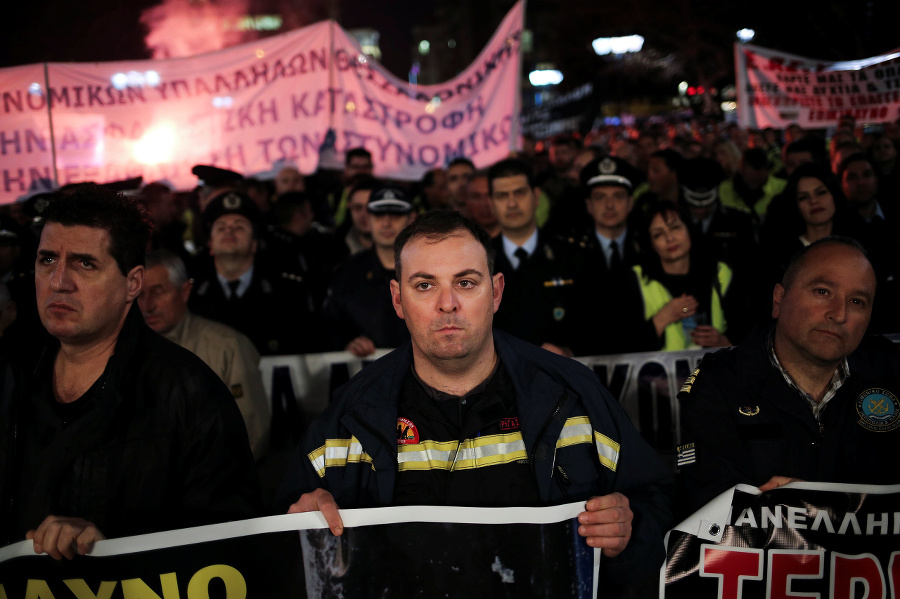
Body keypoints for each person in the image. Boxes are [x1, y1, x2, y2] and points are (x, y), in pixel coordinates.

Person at [278, 210, 672, 584]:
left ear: (496, 292)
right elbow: (276, 546)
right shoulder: (348, 417)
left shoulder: (573, 396)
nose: (447, 303)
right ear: (398, 299)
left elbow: (659, 508)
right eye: (425, 285)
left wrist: (629, 527)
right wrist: (297, 526)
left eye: (465, 283)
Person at [0, 185, 259, 557]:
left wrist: (116, 554)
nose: (58, 282)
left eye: (84, 263)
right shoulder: (9, 373)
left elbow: (230, 548)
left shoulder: (190, 394)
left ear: (132, 284)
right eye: (47, 260)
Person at [676, 237, 899, 515]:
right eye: (822, 291)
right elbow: (707, 507)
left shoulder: (892, 373)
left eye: (857, 301)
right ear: (779, 299)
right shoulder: (719, 384)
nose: (839, 314)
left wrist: (819, 508)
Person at [139, 250, 270, 459]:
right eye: (140, 294)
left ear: (185, 291)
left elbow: (252, 433)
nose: (147, 305)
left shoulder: (228, 346)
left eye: (158, 291)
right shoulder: (116, 350)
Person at [189, 191, 320, 355]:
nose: (229, 232)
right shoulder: (192, 295)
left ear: (254, 244)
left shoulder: (287, 290)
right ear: (210, 245)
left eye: (239, 227)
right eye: (221, 227)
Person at [487, 158, 583, 356]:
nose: (512, 203)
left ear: (536, 196)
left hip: (561, 378)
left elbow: (595, 322)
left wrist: (570, 351)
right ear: (491, 203)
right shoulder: (477, 261)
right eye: (502, 195)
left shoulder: (572, 257)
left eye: (519, 193)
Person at [322, 187, 415, 356]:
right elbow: (329, 327)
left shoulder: (431, 271)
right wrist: (347, 344)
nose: (386, 223)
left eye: (395, 215)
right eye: (379, 215)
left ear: (410, 218)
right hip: (365, 375)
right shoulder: (347, 274)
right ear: (369, 219)